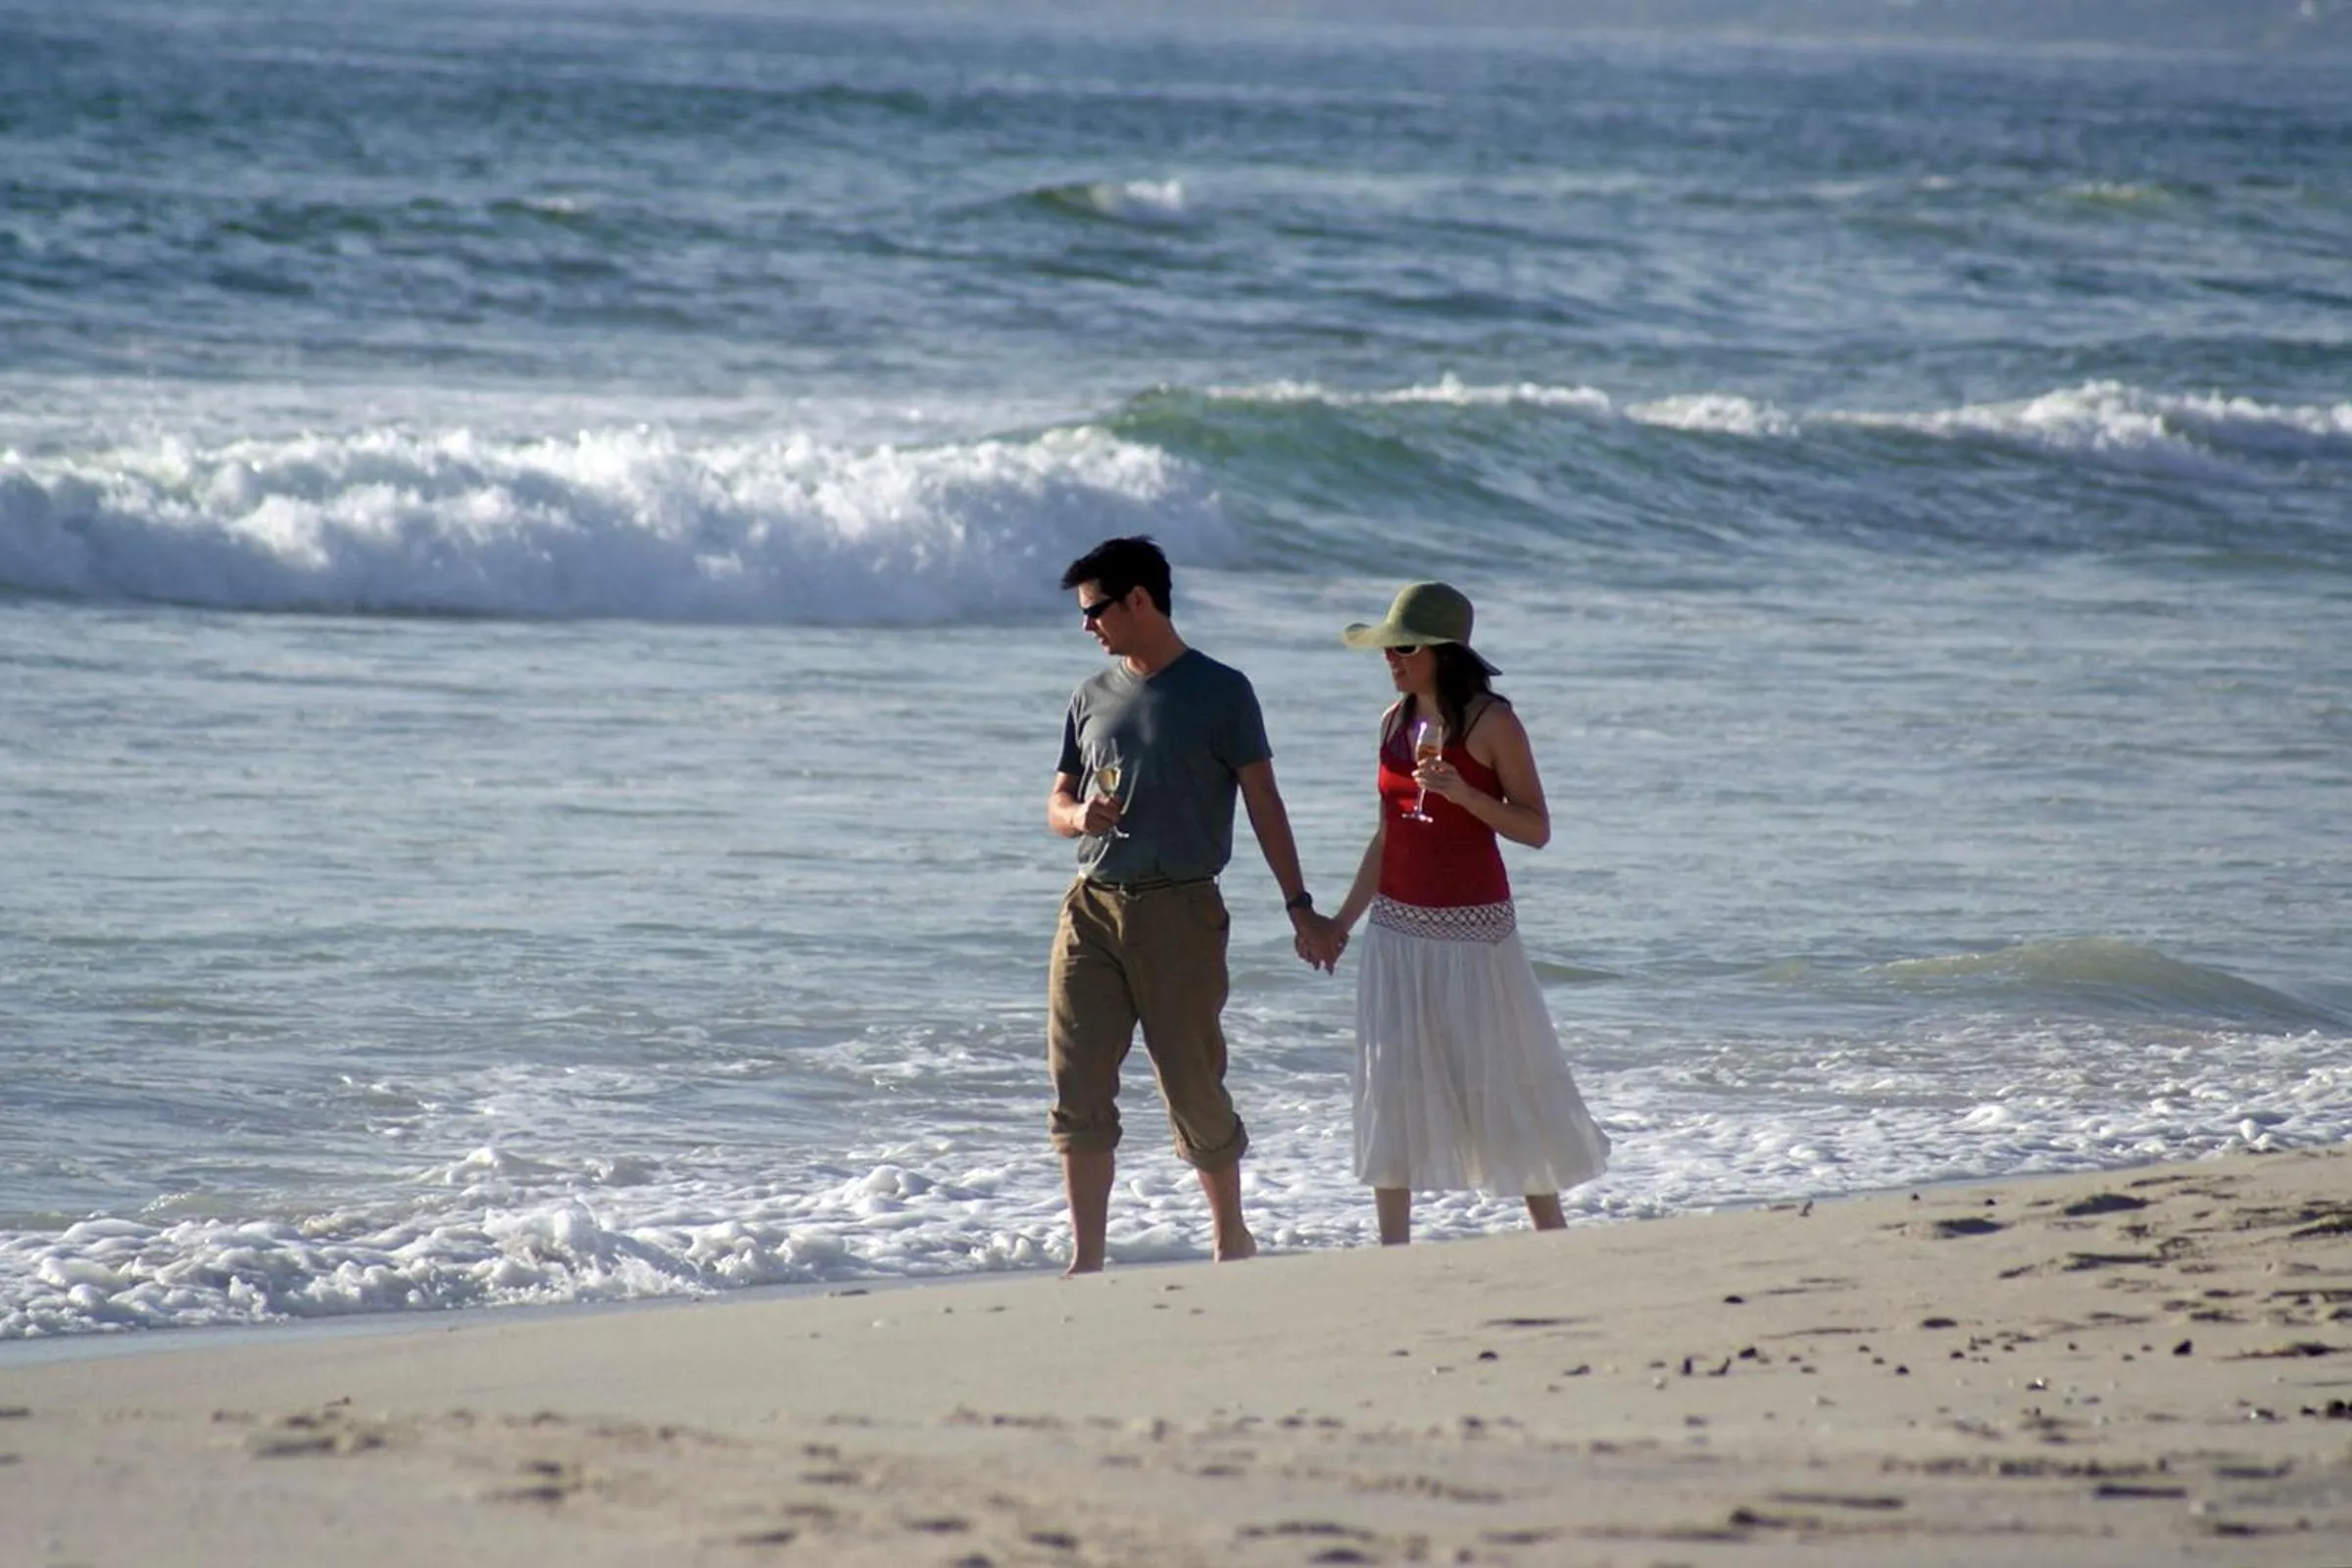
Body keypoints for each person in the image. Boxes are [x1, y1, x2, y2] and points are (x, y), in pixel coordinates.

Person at [1045, 536, 1347, 1275]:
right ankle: (1087, 1261)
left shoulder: (1221, 690)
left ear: (1139, 600)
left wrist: (1299, 906)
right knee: (1076, 1082)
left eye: (1095, 611)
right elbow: (1055, 798)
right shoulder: (1089, 695)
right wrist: (1078, 817)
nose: (1089, 626)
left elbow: (1265, 802)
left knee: (1191, 1080)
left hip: (1181, 911)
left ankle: (1231, 1238)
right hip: (1091, 909)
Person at [1328, 582, 1609, 1245]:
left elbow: (1535, 828)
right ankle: (1392, 1247)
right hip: (1395, 929)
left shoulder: (1493, 723)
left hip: (1474, 933)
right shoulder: (1392, 724)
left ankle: (1551, 1235)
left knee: (1500, 1077)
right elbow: (1387, 835)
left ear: (1444, 651)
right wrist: (1342, 923)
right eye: (1386, 648)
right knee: (1390, 1083)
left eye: (1404, 647)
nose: (1391, 659)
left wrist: (1463, 794)